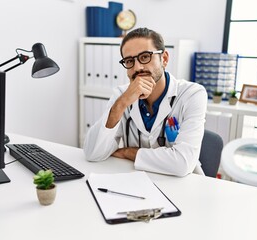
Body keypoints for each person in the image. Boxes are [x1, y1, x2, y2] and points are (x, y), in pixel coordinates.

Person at [83, 28, 207, 177]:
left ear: (164, 59)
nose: (137, 68)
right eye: (129, 61)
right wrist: (121, 103)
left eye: (145, 57)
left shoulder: (192, 94)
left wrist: (128, 152)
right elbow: (92, 153)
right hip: (137, 181)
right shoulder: (122, 95)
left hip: (182, 185)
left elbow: (182, 163)